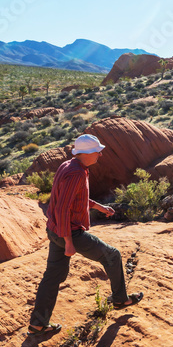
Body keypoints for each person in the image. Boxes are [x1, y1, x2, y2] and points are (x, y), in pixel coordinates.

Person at [27, 134, 142, 335]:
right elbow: (63, 207)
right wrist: (69, 241)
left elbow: (73, 199)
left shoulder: (69, 166)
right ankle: (120, 300)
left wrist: (99, 207)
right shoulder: (77, 173)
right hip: (69, 232)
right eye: (97, 150)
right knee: (112, 256)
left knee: (53, 276)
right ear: (87, 153)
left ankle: (37, 324)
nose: (100, 153)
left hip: (55, 230)